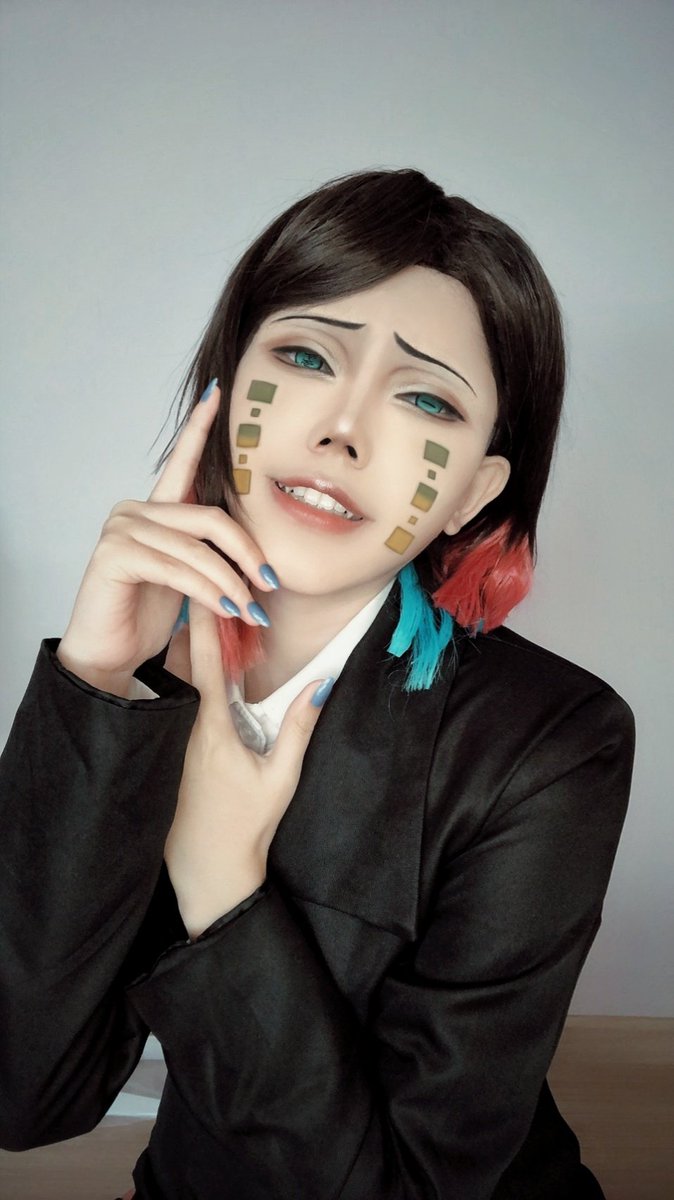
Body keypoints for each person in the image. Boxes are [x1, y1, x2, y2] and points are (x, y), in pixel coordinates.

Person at [0, 168, 634, 1199]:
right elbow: (23, 1094)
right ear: (223, 391)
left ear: (472, 491)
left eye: (425, 398)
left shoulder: (553, 741)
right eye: (303, 355)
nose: (343, 429)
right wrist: (97, 684)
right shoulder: (134, 685)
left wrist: (222, 879)